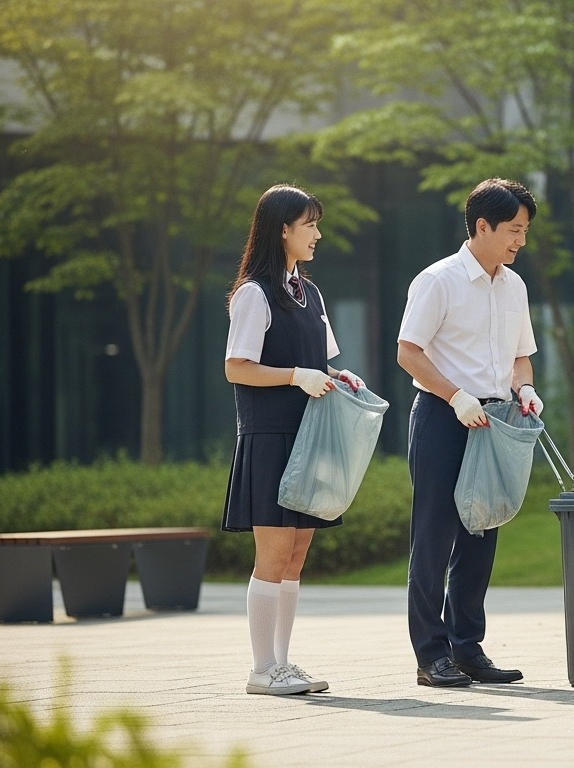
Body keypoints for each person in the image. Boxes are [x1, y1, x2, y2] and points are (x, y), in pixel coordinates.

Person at [397, 177, 544, 688]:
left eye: (524, 231)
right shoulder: (438, 280)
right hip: (443, 415)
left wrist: (524, 390)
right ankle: (430, 655)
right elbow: (408, 351)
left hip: (497, 418)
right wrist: (455, 394)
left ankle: (467, 648)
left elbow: (520, 355)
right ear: (482, 226)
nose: (519, 241)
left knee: (481, 535)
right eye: (513, 230)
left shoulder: (514, 285)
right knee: (434, 536)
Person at [223, 183, 366, 696]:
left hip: (310, 435)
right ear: (281, 228)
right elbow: (236, 367)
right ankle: (262, 669)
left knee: (296, 554)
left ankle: (282, 663)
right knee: (273, 554)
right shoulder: (253, 294)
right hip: (271, 437)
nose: (317, 234)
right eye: (309, 224)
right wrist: (292, 377)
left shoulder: (309, 291)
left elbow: (319, 361)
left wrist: (337, 376)